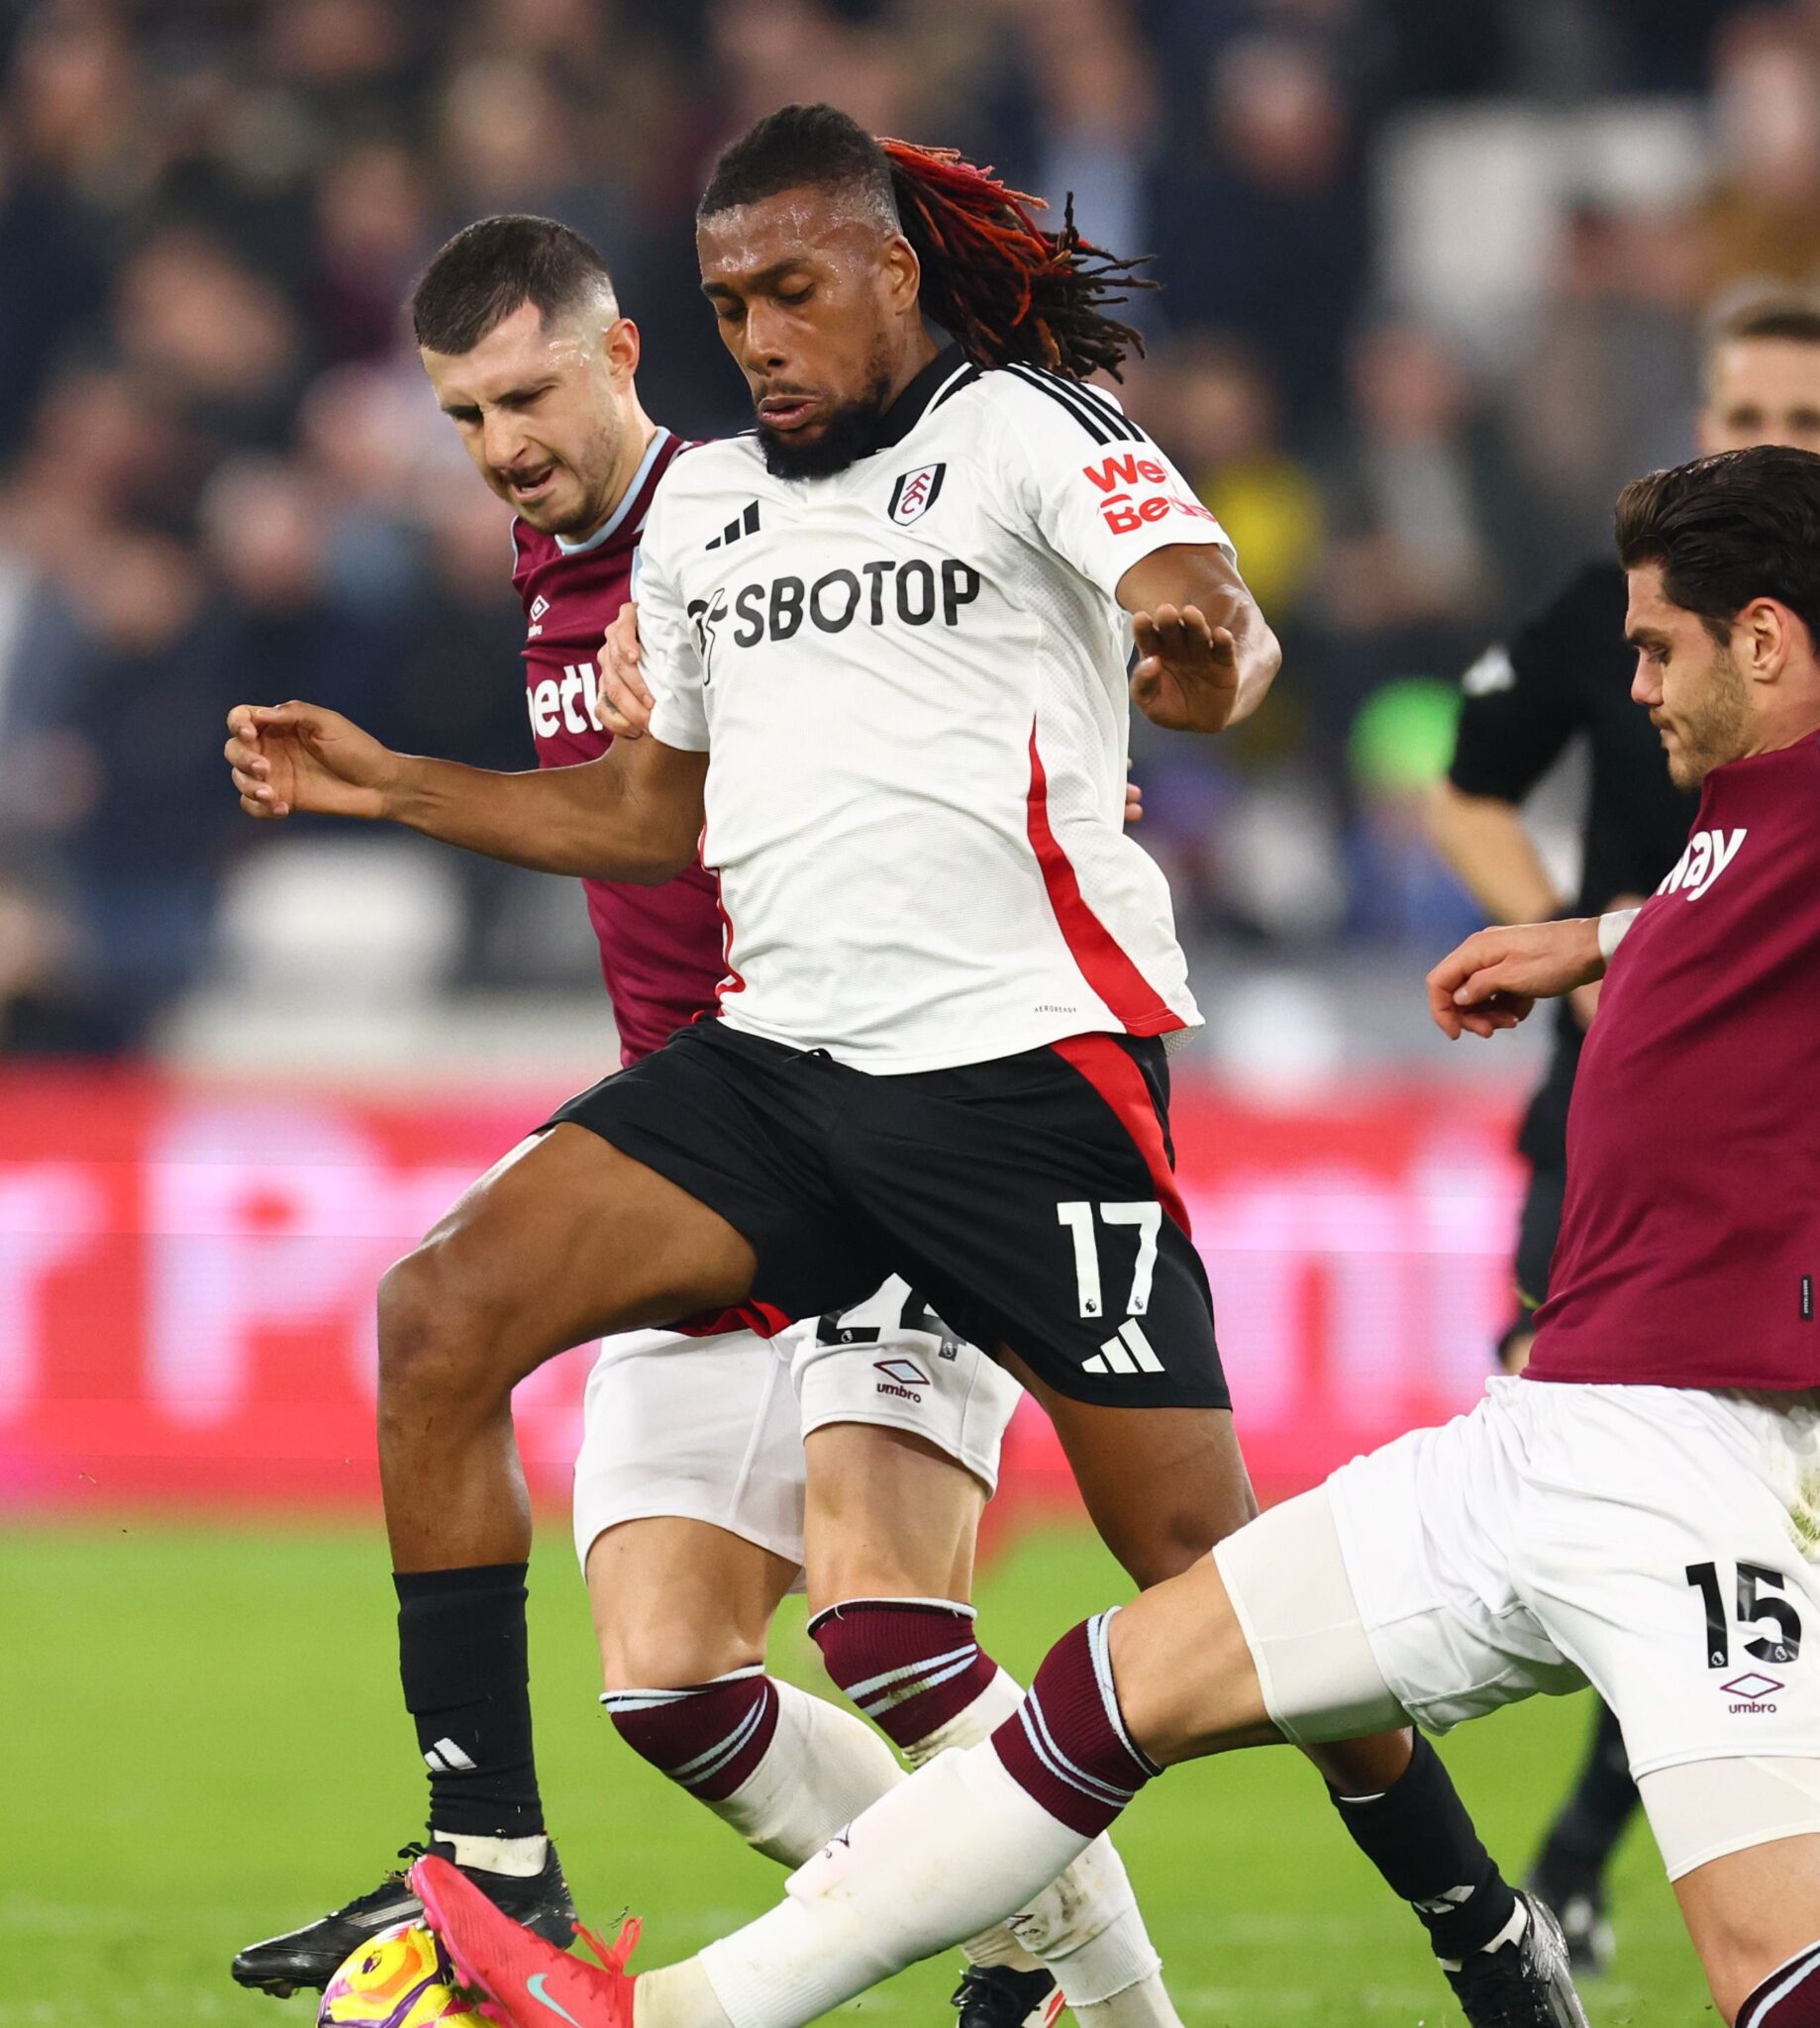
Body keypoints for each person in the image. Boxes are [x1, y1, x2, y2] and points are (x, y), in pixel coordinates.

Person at [225, 105, 1573, 2025]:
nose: (760, 338)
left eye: (791, 292)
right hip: (781, 1066)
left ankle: (1480, 1931)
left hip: (1023, 1077)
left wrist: (1201, 650)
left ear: (891, 270)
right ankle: (494, 1869)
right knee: (438, 1312)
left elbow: (1204, 607)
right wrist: (393, 786)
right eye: (731, 306)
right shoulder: (708, 516)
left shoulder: (1022, 427)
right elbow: (651, 816)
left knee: (1203, 1567)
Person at [410, 439, 1820, 2028]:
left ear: (1765, 641)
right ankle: (658, 2016)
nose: (1633, 687)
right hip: (1534, 1442)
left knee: (1768, 1971)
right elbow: (1728, 921)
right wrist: (1596, 936)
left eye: (1656, 650)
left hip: (1696, 1467)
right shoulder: (1741, 824)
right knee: (1105, 1692)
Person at [229, 211, 1176, 2028]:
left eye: (528, 396)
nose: (502, 445)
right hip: (705, 1144)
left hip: (881, 1108)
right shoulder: (552, 561)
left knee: (894, 1631)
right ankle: (1019, 1954)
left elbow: (951, 699)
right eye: (463, 416)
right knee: (669, 1682)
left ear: (623, 356)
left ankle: (1110, 1997)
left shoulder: (750, 521)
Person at [1428, 293, 1820, 1971]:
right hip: (1610, 1113)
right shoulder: (1624, 606)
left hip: (1767, 1143)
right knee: (1621, 1482)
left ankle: (1581, 1868)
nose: (1767, 436)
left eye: (1800, 416)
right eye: (1743, 408)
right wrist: (1586, 945)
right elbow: (1461, 781)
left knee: (1654, 1491)